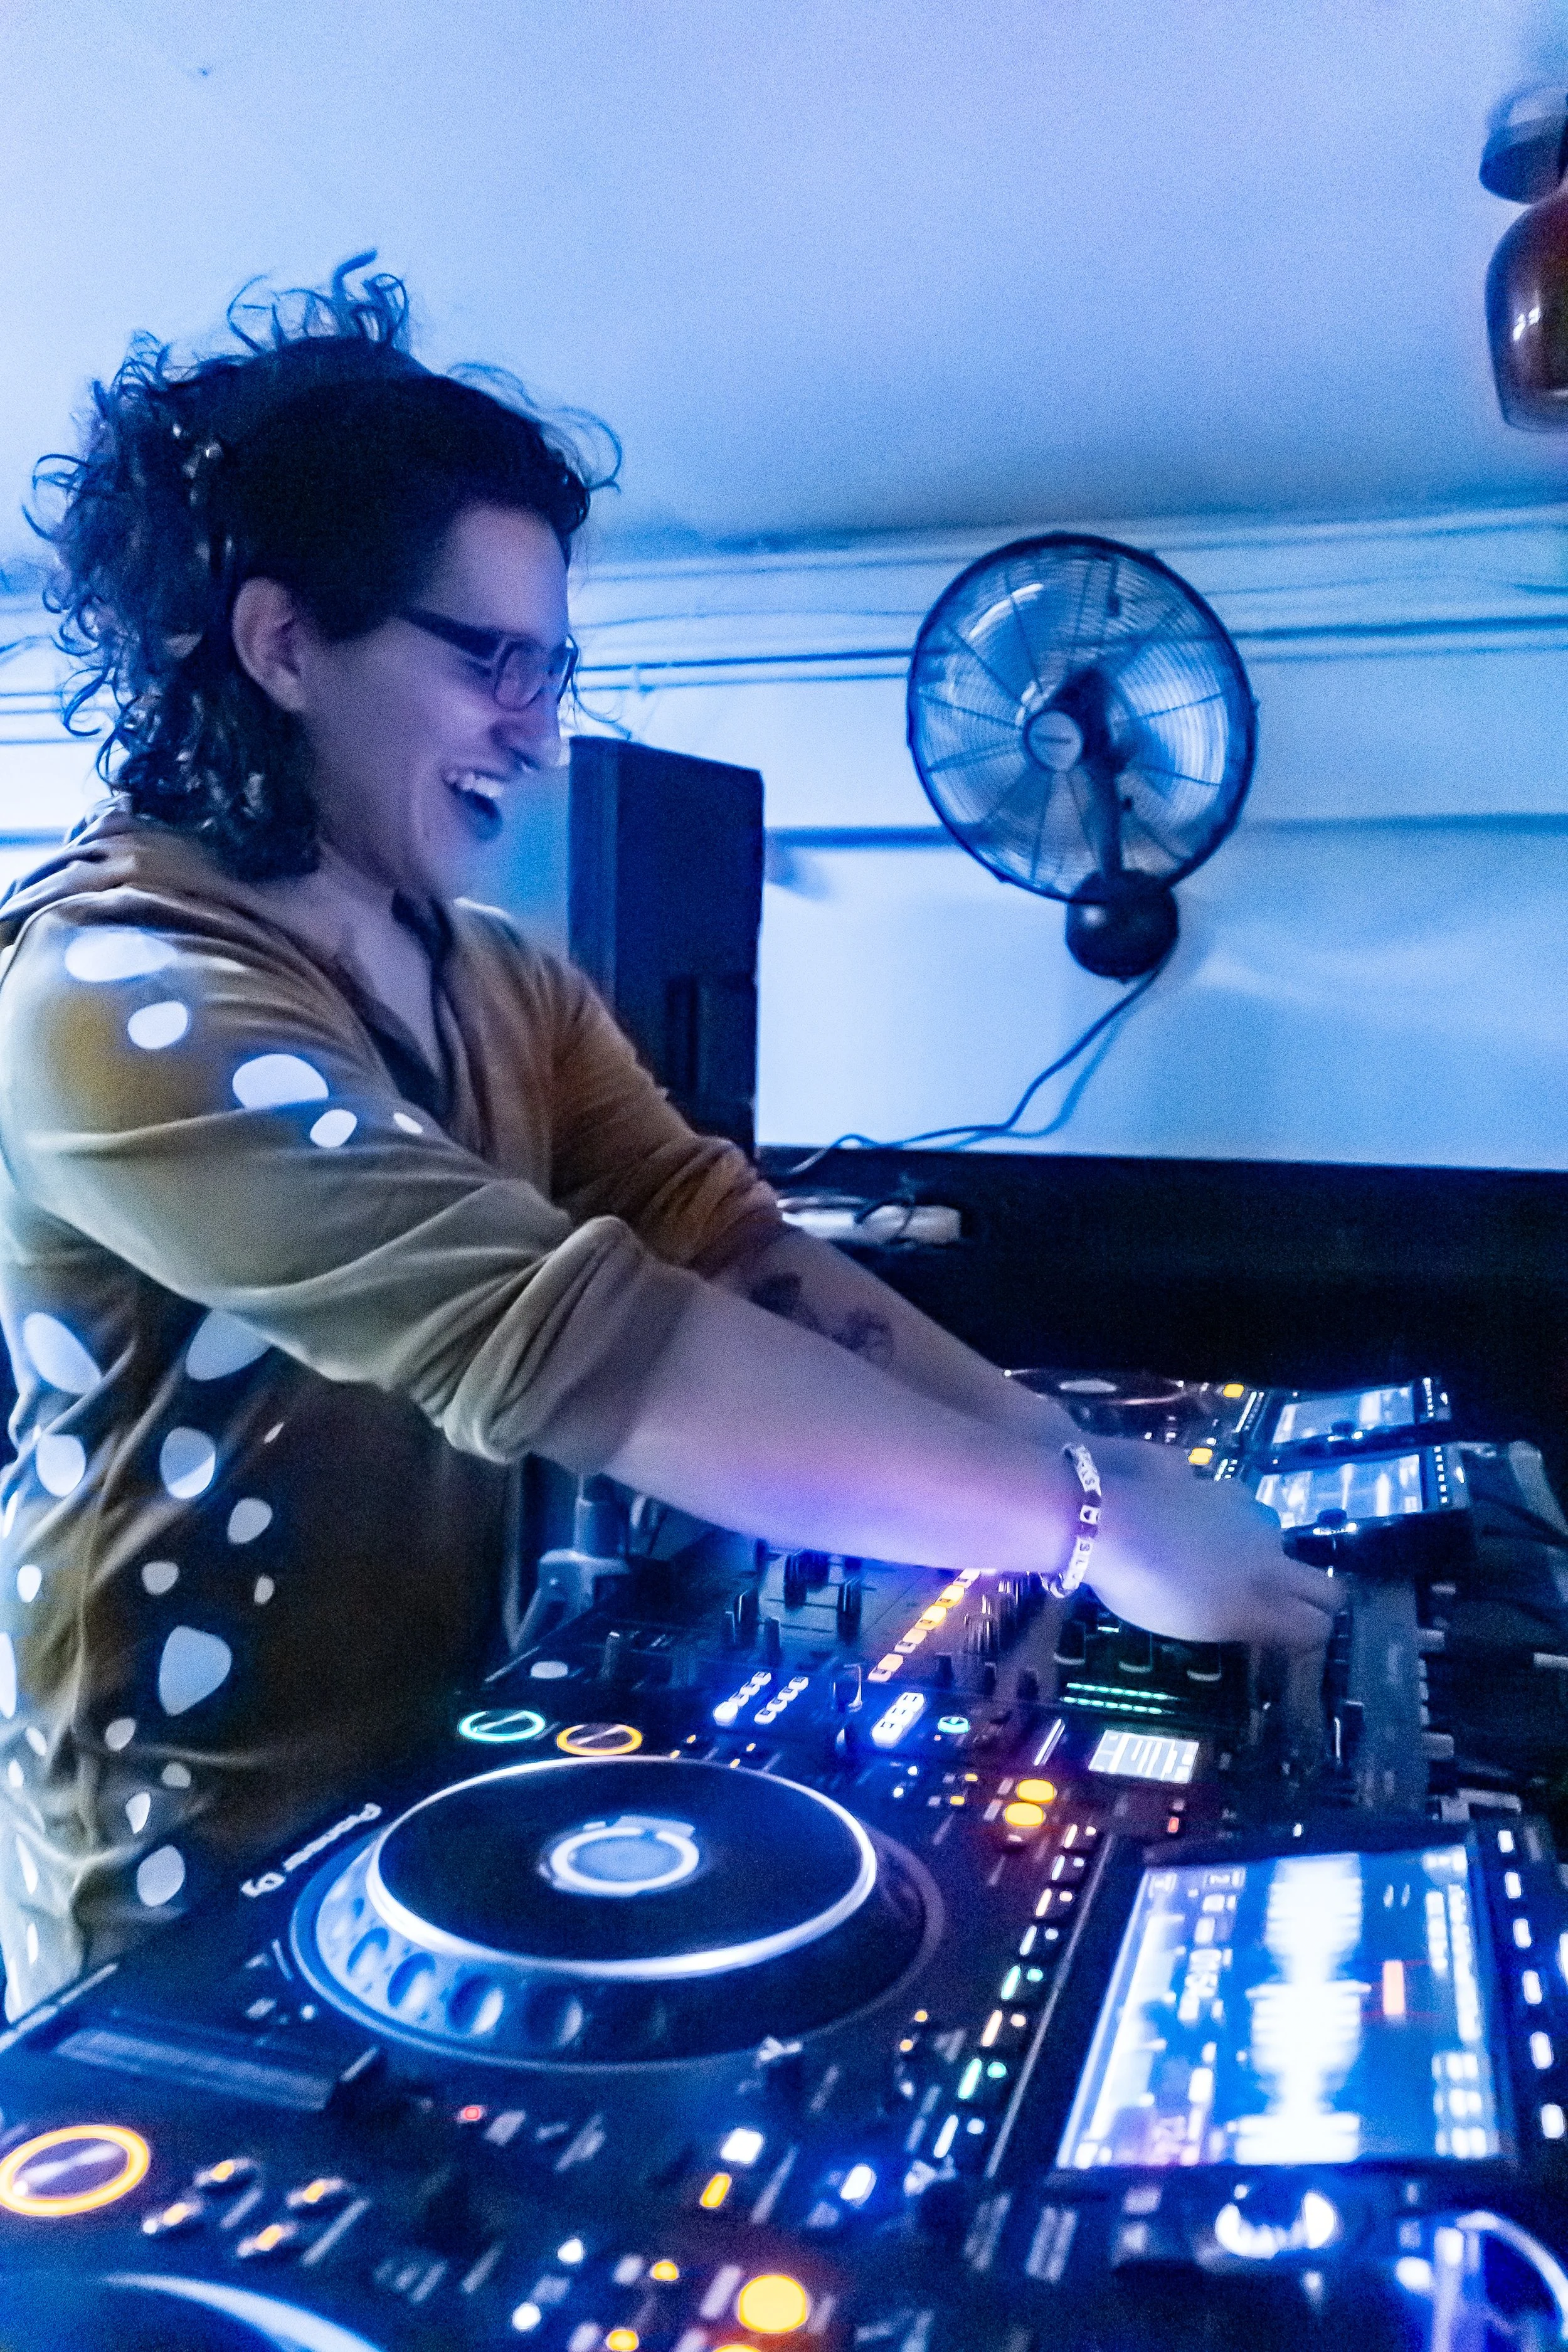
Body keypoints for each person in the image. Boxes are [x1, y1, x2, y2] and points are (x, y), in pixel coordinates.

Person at [0, 261, 1333, 2016]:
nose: (538, 733)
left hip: (453, 1798)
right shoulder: (109, 996)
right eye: (489, 661)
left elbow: (723, 1245)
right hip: (184, 1898)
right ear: (280, 645)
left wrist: (1058, 1447)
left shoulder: (499, 976)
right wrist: (1077, 1524)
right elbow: (584, 1345)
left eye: (553, 668)